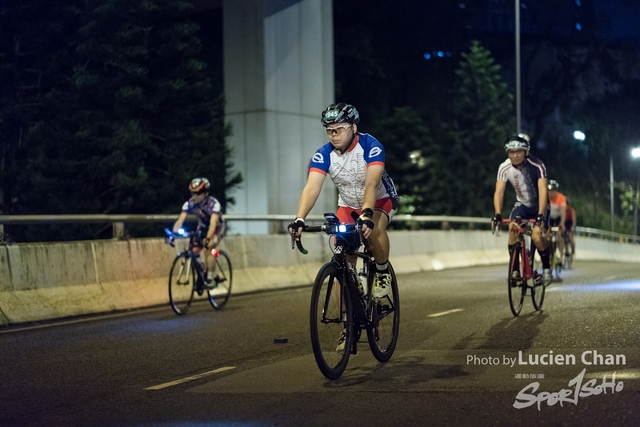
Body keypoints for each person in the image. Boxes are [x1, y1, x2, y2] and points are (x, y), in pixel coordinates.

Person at [288, 102, 399, 298]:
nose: (333, 135)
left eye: (339, 129)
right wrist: (300, 219)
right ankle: (347, 319)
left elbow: (371, 184)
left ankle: (382, 272)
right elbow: (312, 188)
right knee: (343, 259)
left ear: (354, 128)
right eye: (329, 130)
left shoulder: (370, 146)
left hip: (380, 199)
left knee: (372, 227)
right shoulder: (323, 154)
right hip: (348, 204)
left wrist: (366, 213)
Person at [491, 134, 552, 286]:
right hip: (522, 205)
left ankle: (546, 268)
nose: (515, 155)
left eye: (518, 151)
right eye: (511, 152)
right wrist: (498, 214)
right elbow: (499, 192)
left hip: (540, 204)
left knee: (537, 236)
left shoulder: (537, 165)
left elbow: (543, 190)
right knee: (513, 229)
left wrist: (540, 215)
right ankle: (515, 271)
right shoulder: (504, 167)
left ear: (526, 152)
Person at [173, 177, 225, 285]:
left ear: (206, 193)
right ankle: (202, 272)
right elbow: (180, 221)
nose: (195, 196)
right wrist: (173, 234)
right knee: (195, 250)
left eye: (198, 193)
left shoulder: (214, 204)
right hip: (202, 227)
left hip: (217, 228)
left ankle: (210, 277)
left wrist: (208, 239)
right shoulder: (190, 203)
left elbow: (213, 224)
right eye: (193, 193)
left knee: (209, 247)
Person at [547, 179, 567, 264]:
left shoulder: (561, 198)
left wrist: (562, 223)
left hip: (558, 218)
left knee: (559, 236)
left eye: (552, 191)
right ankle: (548, 254)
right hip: (549, 218)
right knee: (547, 236)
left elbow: (563, 212)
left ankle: (561, 256)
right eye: (549, 191)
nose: (551, 193)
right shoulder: (545, 198)